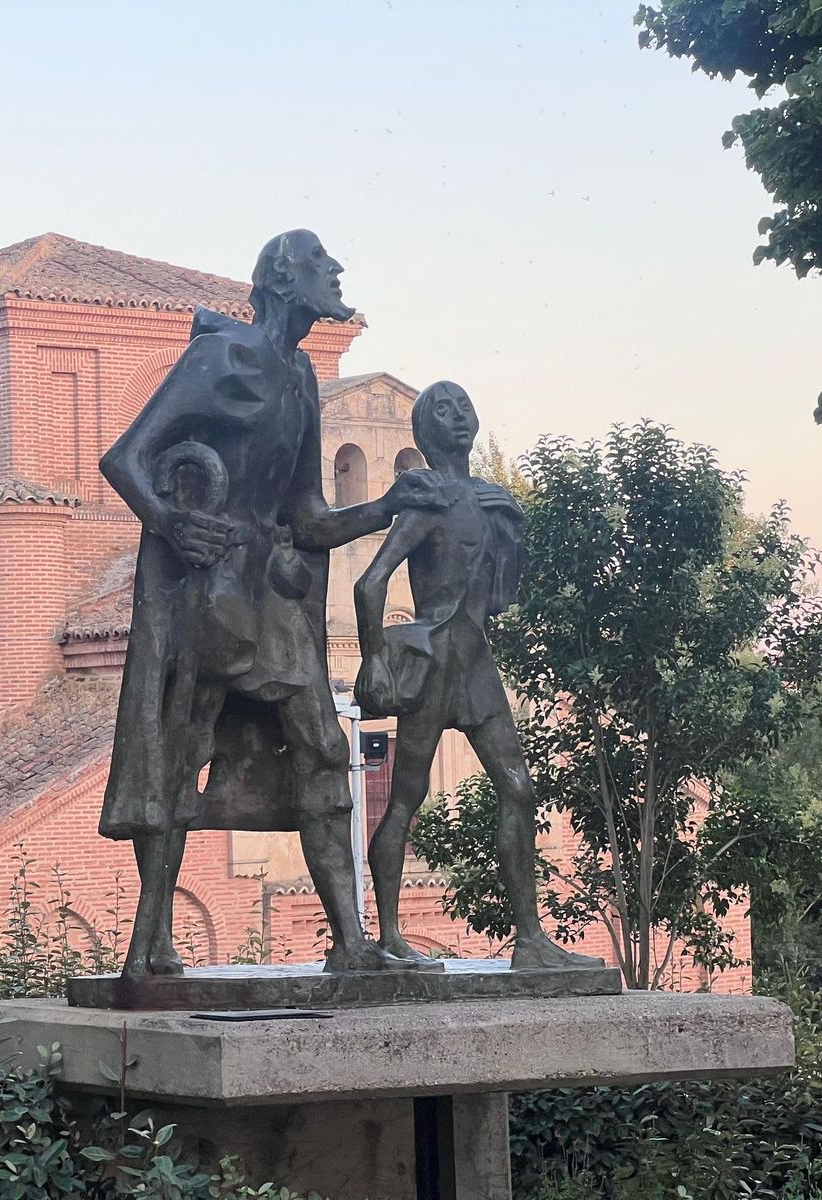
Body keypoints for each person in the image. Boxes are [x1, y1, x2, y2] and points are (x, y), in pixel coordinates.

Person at [98, 230, 449, 977]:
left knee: (324, 748)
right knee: (181, 750)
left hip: (273, 598)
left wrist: (388, 502)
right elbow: (125, 457)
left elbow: (312, 518)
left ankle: (350, 946)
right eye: (325, 264)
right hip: (209, 594)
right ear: (287, 279)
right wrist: (168, 521)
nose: (339, 272)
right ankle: (150, 946)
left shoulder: (298, 379)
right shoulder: (221, 357)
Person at [353, 381, 604, 970]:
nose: (458, 417)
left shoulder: (489, 499)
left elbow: (501, 597)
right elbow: (371, 583)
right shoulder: (427, 499)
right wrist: (376, 662)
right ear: (424, 429)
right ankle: (389, 936)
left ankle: (530, 940)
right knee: (406, 798)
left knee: (519, 788)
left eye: (464, 406)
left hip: (477, 662)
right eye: (443, 409)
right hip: (436, 659)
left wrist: (511, 527)